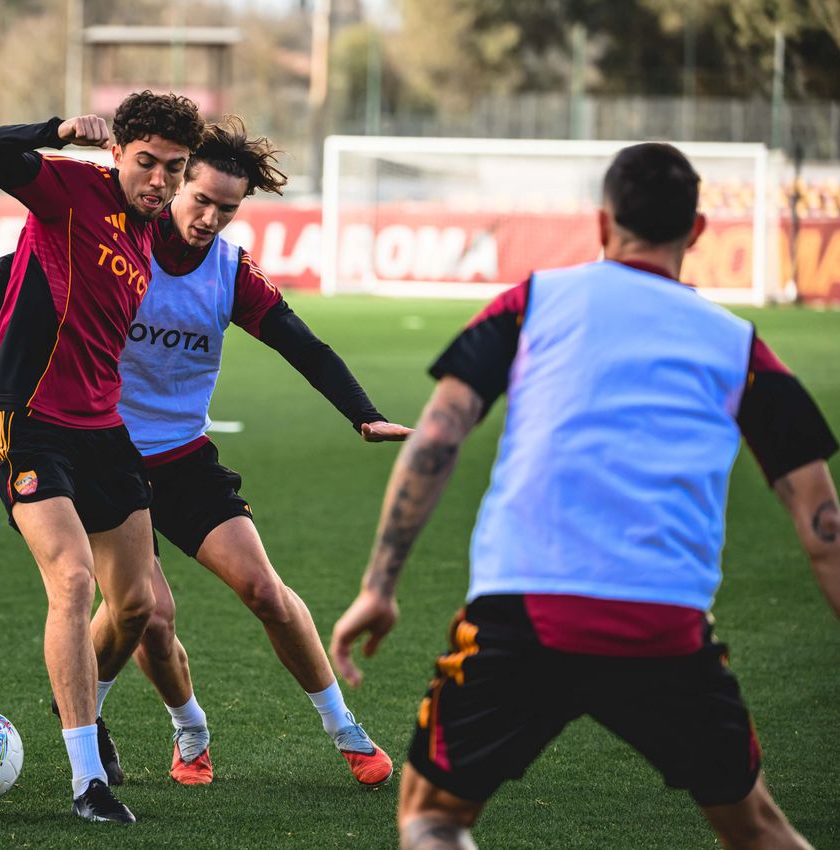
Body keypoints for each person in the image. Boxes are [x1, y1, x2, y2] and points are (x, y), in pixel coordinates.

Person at [330, 143, 839, 850]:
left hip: (524, 613)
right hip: (666, 628)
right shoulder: (740, 347)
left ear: (603, 223)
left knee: (432, 817)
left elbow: (436, 438)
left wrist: (379, 585)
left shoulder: (533, 301)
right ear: (695, 234)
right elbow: (823, 529)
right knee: (757, 829)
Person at [0, 118, 408, 789]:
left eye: (227, 209)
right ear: (174, 180)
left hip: (180, 456)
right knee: (145, 613)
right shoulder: (117, 230)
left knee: (264, 589)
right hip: (96, 444)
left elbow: (302, 343)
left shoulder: (230, 272)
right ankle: (181, 727)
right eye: (200, 199)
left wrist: (364, 414)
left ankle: (344, 727)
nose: (208, 218)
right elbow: (7, 276)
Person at [0, 91, 204, 824]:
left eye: (174, 169)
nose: (160, 181)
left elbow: (4, 270)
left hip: (100, 426)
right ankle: (88, 781)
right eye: (147, 162)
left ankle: (80, 695)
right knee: (74, 578)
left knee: (140, 604)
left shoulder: (148, 233)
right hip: (24, 419)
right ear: (116, 153)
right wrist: (55, 132)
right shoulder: (69, 187)